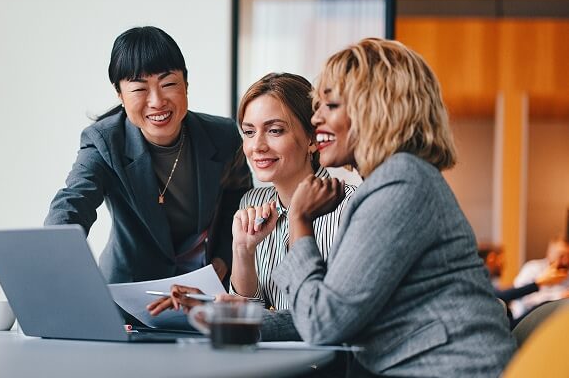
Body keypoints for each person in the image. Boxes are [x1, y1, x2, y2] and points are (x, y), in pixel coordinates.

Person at [168, 39, 516, 377]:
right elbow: (335, 309)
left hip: (447, 368)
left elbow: (324, 321)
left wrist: (300, 222)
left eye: (329, 107)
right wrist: (238, 321)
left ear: (377, 109)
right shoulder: (393, 183)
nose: (316, 119)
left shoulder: (401, 185)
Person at [44, 26, 252, 284]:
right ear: (120, 94)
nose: (156, 101)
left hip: (201, 288)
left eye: (168, 84)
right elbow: (74, 202)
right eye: (139, 89)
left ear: (186, 84)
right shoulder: (104, 141)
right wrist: (51, 262)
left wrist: (223, 259)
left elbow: (240, 200)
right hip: (128, 289)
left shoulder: (223, 136)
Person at [147, 73, 354, 316]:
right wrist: (243, 252)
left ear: (311, 138)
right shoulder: (251, 202)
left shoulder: (350, 208)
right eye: (249, 132)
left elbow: (326, 316)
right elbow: (248, 314)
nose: (257, 146)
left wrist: (217, 311)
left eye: (275, 131)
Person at [509, 236, 569, 320]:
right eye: (561, 255)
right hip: (526, 321)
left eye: (568, 256)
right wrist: (559, 297)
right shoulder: (532, 268)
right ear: (549, 253)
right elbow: (524, 299)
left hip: (555, 321)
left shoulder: (566, 274)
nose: (566, 261)